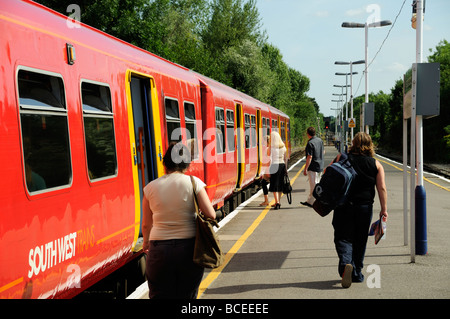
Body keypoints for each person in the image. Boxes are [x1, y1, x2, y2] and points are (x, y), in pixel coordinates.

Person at [142, 142, 216, 299]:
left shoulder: (150, 187)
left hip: (159, 249)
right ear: (187, 164)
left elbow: (146, 224)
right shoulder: (194, 183)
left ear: (165, 163)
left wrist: (146, 243)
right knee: (187, 295)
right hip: (188, 249)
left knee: (159, 295)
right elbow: (211, 214)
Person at [331, 132, 388, 288]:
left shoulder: (341, 158)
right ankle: (356, 273)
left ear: (353, 143)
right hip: (364, 207)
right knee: (360, 239)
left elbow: (327, 175)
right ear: (370, 145)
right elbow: (381, 187)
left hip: (343, 205)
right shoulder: (375, 164)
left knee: (342, 237)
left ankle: (345, 264)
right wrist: (384, 209)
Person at [301, 127, 324, 208]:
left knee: (313, 186)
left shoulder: (310, 143)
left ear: (308, 134)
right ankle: (310, 201)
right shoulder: (320, 140)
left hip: (313, 167)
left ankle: (315, 202)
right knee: (316, 184)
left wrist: (305, 168)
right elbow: (323, 152)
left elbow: (309, 157)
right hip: (320, 166)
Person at [268, 131, 287, 210]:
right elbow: (285, 159)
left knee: (274, 184)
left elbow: (270, 158)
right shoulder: (283, 146)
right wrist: (286, 168)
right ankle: (278, 201)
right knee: (280, 184)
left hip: (274, 165)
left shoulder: (271, 147)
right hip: (282, 165)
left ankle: (277, 202)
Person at [259, 136, 271, 206]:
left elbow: (267, 161)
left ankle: (266, 200)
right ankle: (277, 201)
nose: (262, 142)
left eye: (263, 141)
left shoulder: (267, 149)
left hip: (269, 170)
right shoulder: (270, 148)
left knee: (264, 183)